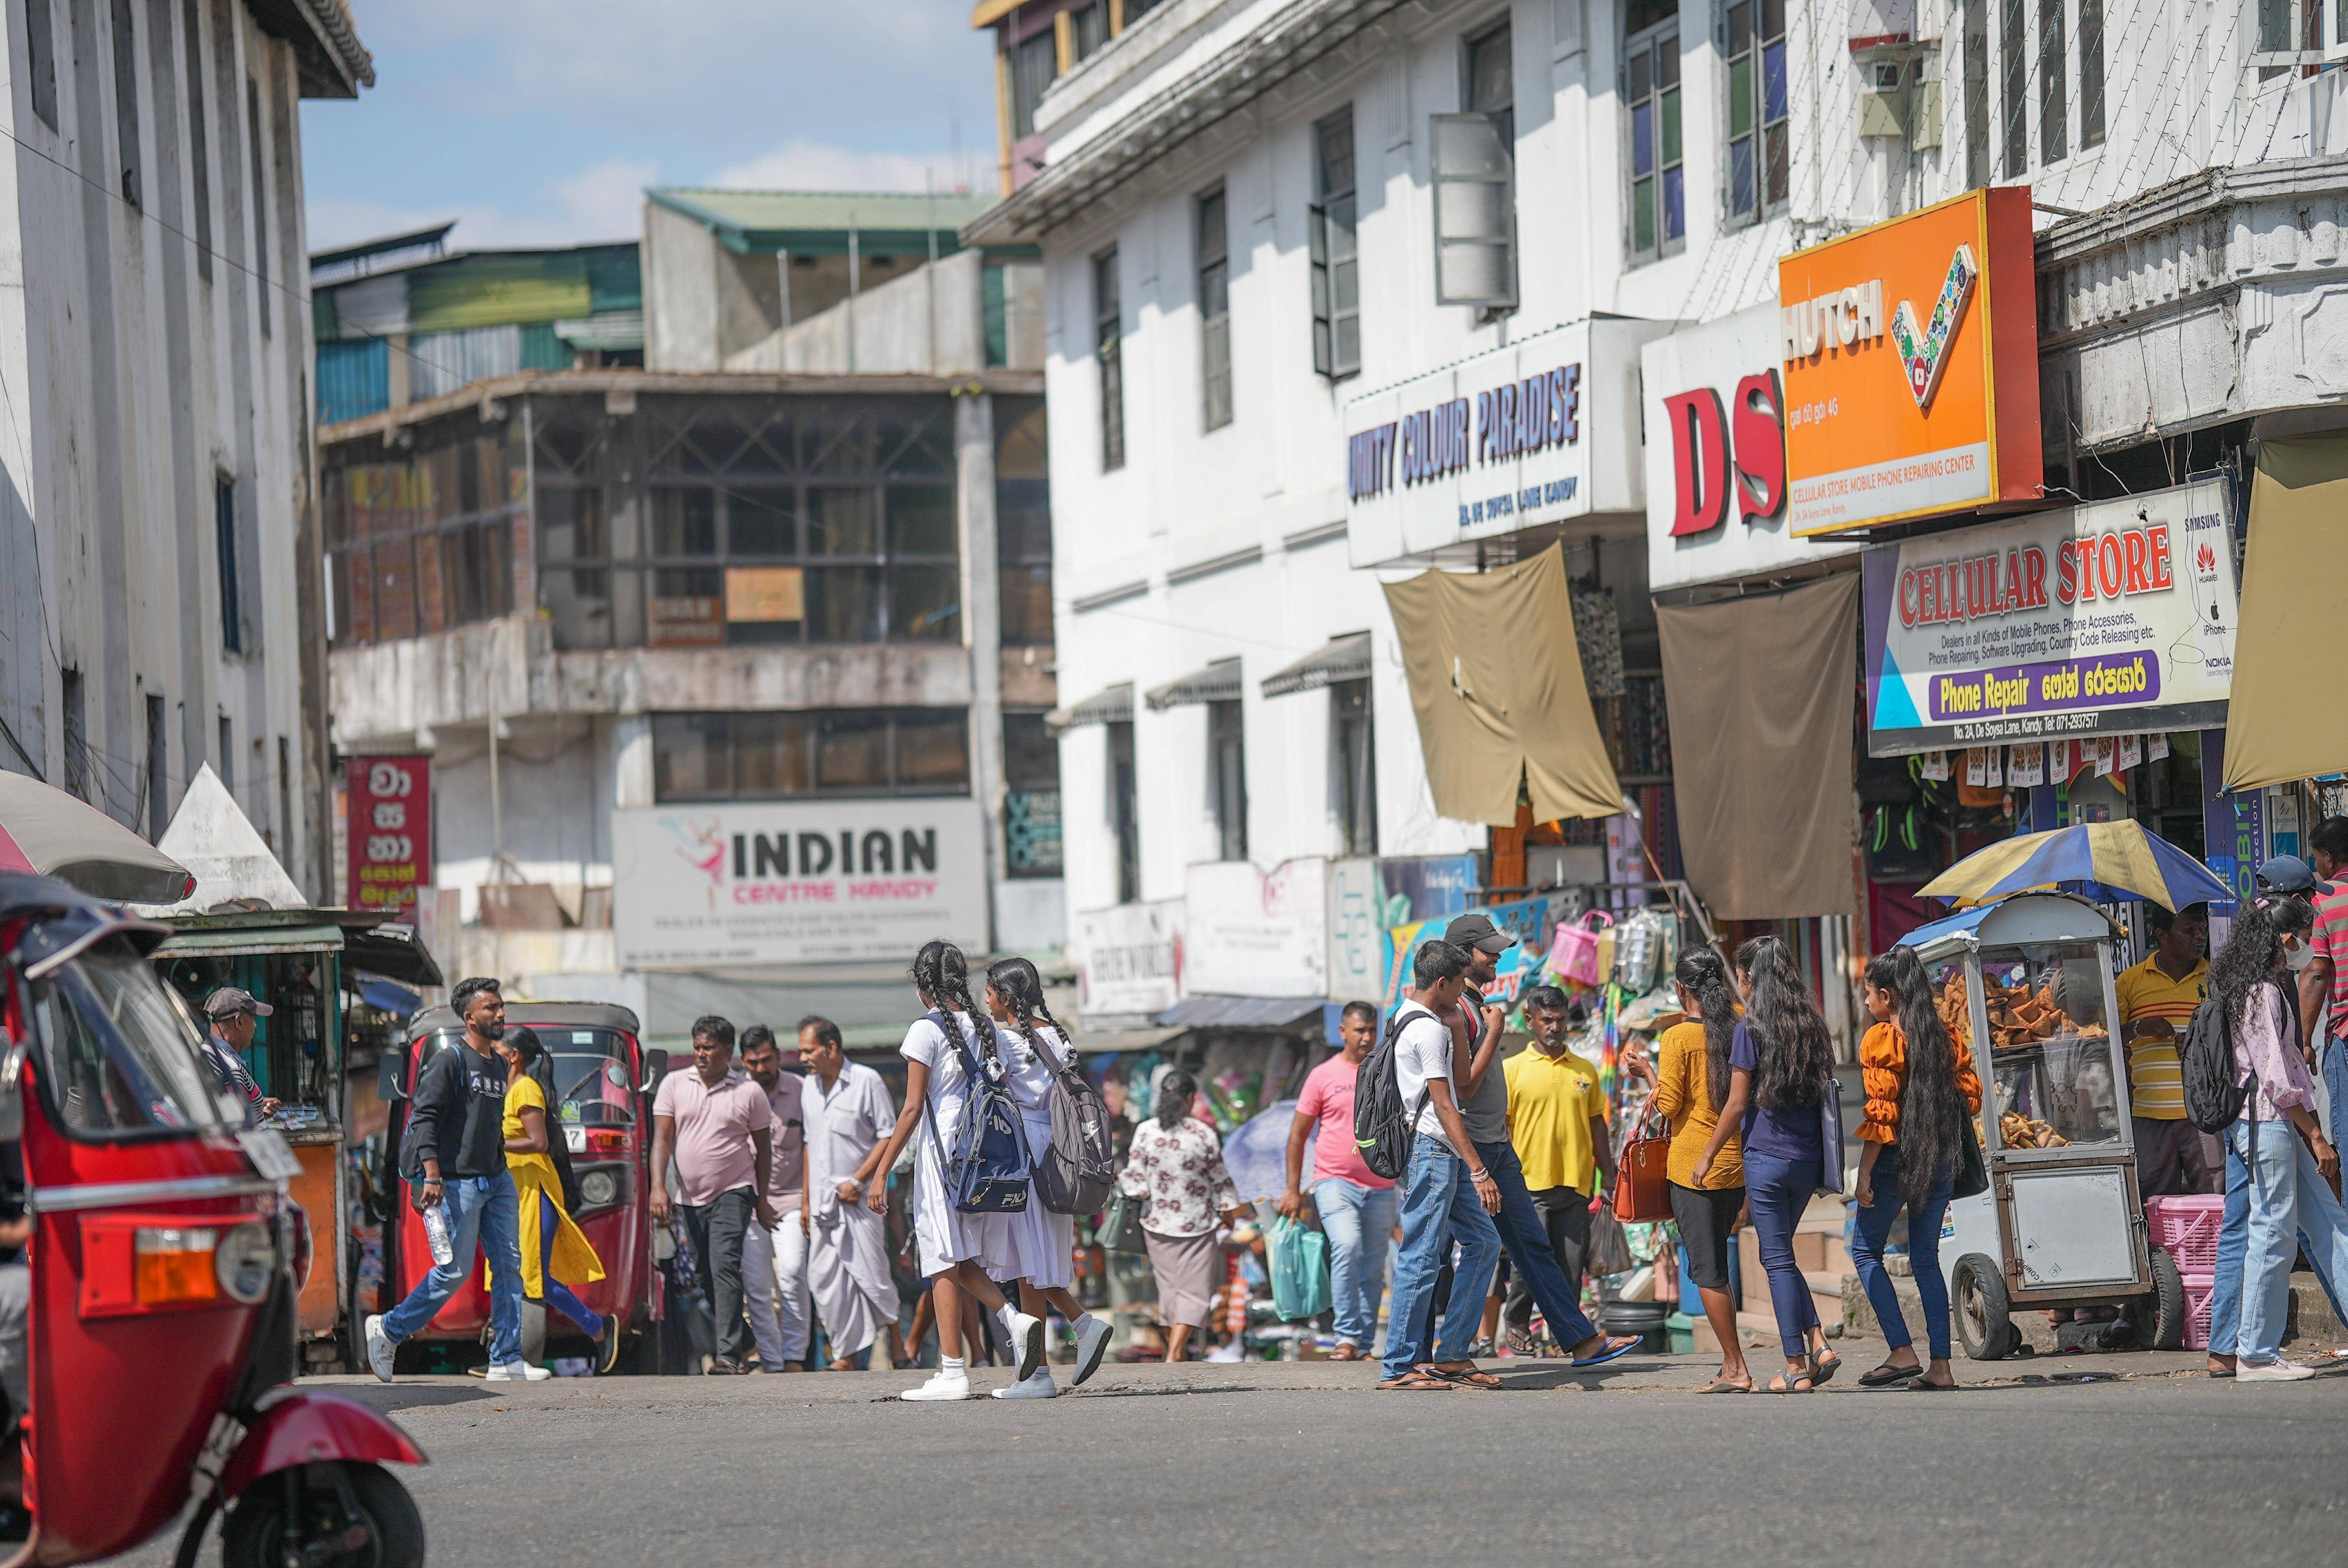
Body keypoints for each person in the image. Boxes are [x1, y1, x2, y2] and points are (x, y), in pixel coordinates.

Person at [1441, 915, 1639, 1379]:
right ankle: (1430, 1353)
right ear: (1465, 954)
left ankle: (1582, 1340)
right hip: (1470, 1151)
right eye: (1488, 950)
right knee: (1458, 1250)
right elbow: (1463, 1089)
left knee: (1533, 1249)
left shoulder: (1478, 1006)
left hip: (1500, 1152)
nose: (1497, 957)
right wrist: (1476, 1165)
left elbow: (1595, 1125)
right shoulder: (1461, 1013)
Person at [867, 940, 1048, 1402]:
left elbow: (909, 1110)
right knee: (958, 1254)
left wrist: (881, 1170)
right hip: (983, 1151)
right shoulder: (985, 1026)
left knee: (943, 1258)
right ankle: (1012, 1320)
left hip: (942, 1151)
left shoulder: (924, 1031)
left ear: (923, 984)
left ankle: (954, 1370)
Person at [2204, 885, 2348, 1380]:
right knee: (2273, 1235)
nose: (2307, 946)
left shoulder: (2261, 987)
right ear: (2283, 937)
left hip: (2280, 1125)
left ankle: (2256, 1351)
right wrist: (2317, 1135)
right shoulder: (2261, 993)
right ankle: (2257, 1354)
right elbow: (2277, 1078)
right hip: (2269, 1125)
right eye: (2304, 937)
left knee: (2330, 1224)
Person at [368, 977, 542, 1382]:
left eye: (501, 1007)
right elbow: (424, 1117)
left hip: (497, 1181)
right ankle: (389, 1328)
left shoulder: (500, 1065)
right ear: (469, 1017)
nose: (500, 1014)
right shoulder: (450, 1060)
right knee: (453, 1272)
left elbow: (490, 1125)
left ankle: (506, 1359)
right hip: (455, 1184)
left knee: (509, 1267)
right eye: (491, 1009)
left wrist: (499, 1166)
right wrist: (431, 1174)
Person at [1698, 935, 1840, 1394]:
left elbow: (1737, 1105)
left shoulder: (1750, 1030)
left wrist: (1708, 1154)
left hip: (1766, 1158)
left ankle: (1796, 1365)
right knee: (1781, 1254)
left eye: (1740, 977)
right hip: (1809, 1160)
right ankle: (1818, 1341)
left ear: (1750, 979)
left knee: (1776, 1260)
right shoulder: (1812, 1026)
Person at [1848, 947, 1981, 1392]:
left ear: (1887, 995)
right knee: (1927, 1260)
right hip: (1941, 1156)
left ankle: (1902, 1350)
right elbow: (1969, 1100)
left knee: (1865, 1251)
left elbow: (1881, 1117)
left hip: (1894, 1161)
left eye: (1868, 994)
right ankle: (1941, 1367)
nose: (1865, 1002)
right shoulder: (1945, 1035)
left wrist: (1863, 1174)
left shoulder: (1881, 1038)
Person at [984, 956, 1116, 1397]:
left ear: (1005, 997)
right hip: (1059, 1150)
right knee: (1033, 1259)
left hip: (1027, 1150)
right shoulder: (1056, 1035)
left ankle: (1039, 1373)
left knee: (1027, 1261)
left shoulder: (1006, 1040)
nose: (985, 999)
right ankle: (1077, 1330)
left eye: (988, 991)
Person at [1375, 940, 1502, 1393]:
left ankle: (1451, 1355)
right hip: (1433, 1150)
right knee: (1421, 1257)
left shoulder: (1406, 1017)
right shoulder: (1427, 1030)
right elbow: (1447, 1104)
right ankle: (1398, 1366)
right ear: (1443, 983)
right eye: (1458, 986)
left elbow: (1453, 1087)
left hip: (1436, 1151)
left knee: (1484, 1242)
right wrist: (1480, 1169)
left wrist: (1460, 1031)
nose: (1463, 995)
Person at [1630, 948, 1749, 1393]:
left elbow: (1669, 1105)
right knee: (1717, 1262)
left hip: (1692, 1167)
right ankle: (1732, 1363)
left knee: (1708, 1271)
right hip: (1735, 1164)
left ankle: (1736, 1367)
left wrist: (1646, 1073)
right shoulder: (1739, 1024)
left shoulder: (1679, 1038)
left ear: (1682, 990)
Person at [650, 1016, 780, 1375]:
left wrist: (763, 1198)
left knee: (724, 1265)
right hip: (689, 1199)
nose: (701, 1055)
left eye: (709, 1048)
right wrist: (658, 1187)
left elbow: (764, 1150)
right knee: (705, 1275)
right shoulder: (674, 1084)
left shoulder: (748, 1092)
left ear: (727, 1051)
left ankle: (727, 1356)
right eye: (697, 1047)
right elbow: (661, 1140)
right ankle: (746, 1340)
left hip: (734, 1192)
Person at [1499, 986, 1618, 1356]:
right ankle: (1516, 1318)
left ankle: (1569, 1338)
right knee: (1528, 1263)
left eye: (1561, 1019)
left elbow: (1598, 1124)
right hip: (1528, 1185)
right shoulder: (1511, 1070)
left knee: (1570, 1269)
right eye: (1547, 1020)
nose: (1555, 1026)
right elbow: (1499, 1129)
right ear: (1531, 1021)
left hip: (1576, 1183)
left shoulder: (1585, 1070)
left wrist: (1609, 1173)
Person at [1277, 1001, 1396, 1361]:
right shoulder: (1323, 1075)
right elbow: (1297, 1135)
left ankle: (1361, 1343)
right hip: (1334, 1181)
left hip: (1381, 1186)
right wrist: (1293, 1190)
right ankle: (1345, 1335)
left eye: (1372, 1030)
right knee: (1347, 1246)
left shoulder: (1385, 1072)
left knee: (1375, 1266)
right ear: (1342, 1032)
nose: (1367, 1037)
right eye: (1359, 1030)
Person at [500, 1027, 619, 1374]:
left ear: (514, 1055)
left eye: (498, 1046)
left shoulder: (525, 1089)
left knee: (535, 1278)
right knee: (513, 1275)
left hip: (537, 1193)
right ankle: (504, 1353)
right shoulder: (507, 1090)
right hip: (517, 1196)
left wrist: (495, 1144)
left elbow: (538, 1142)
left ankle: (598, 1327)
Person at [792, 1015, 905, 1371]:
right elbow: (810, 1143)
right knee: (824, 1281)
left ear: (831, 1048)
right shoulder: (808, 1088)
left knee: (872, 1275)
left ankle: (897, 1348)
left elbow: (888, 1135)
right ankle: (847, 1353)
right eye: (801, 1052)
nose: (803, 1058)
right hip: (823, 1202)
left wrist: (859, 1181)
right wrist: (806, 1200)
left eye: (809, 1051)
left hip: (860, 1200)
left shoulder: (866, 1081)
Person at [1116, 1069, 1249, 1366]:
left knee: (1170, 1293)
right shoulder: (1203, 1133)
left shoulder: (1146, 1131)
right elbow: (1221, 1179)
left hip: (1156, 1227)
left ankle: (1172, 1352)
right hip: (1198, 1226)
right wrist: (1228, 1213)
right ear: (1190, 1099)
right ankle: (1175, 1353)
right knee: (1195, 1293)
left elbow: (1134, 1182)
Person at [739, 1025, 812, 1374]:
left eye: (767, 1059)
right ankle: (771, 1359)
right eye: (753, 1062)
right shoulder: (735, 1093)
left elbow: (814, 1146)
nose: (761, 1067)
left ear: (779, 1056)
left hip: (793, 1200)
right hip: (751, 1204)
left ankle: (795, 1355)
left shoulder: (801, 1090)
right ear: (743, 1062)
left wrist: (809, 1201)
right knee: (756, 1287)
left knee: (793, 1274)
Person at [2299, 822, 2348, 1134]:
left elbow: (2317, 973)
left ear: (2329, 858)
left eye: (2316, 857)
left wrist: (2303, 1041)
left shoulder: (2325, 901)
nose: (2315, 865)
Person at [201, 989, 281, 1122]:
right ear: (239, 1022)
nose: (255, 1026)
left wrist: (257, 1109)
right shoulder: (228, 1067)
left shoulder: (205, 1054)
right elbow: (236, 1127)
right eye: (253, 1018)